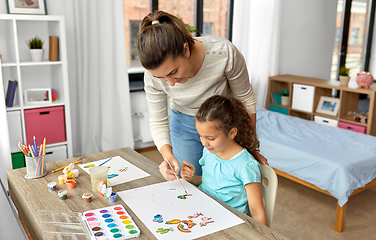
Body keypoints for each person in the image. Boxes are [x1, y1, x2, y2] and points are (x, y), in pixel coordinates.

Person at [137, 10, 267, 181]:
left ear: (186, 50)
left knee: (228, 180)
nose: (170, 83)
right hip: (184, 122)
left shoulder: (224, 53)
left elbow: (245, 99)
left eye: (173, 72)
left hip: (223, 122)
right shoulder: (152, 75)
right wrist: (168, 156)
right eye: (160, 77)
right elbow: (158, 121)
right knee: (190, 181)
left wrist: (251, 147)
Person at [180, 95, 267, 226]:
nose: (204, 143)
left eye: (210, 138)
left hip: (228, 222)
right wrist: (191, 178)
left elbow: (257, 212)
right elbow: (207, 181)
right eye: (200, 136)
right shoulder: (209, 152)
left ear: (232, 133)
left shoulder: (246, 165)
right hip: (203, 213)